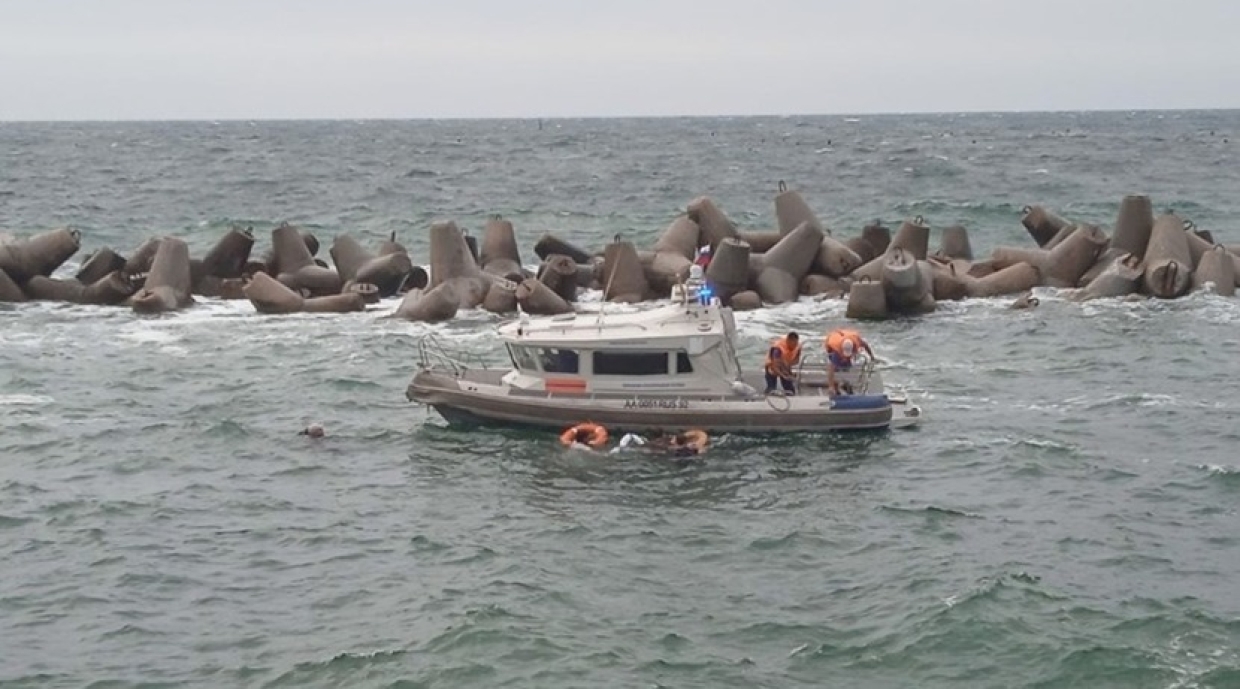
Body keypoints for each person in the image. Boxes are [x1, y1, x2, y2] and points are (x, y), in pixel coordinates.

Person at [824, 328, 874, 396]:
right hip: (834, 342)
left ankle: (846, 385)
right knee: (836, 370)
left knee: (846, 368)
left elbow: (866, 345)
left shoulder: (857, 340)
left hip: (846, 337)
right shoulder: (836, 349)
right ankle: (836, 389)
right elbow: (831, 369)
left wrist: (871, 356)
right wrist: (831, 386)